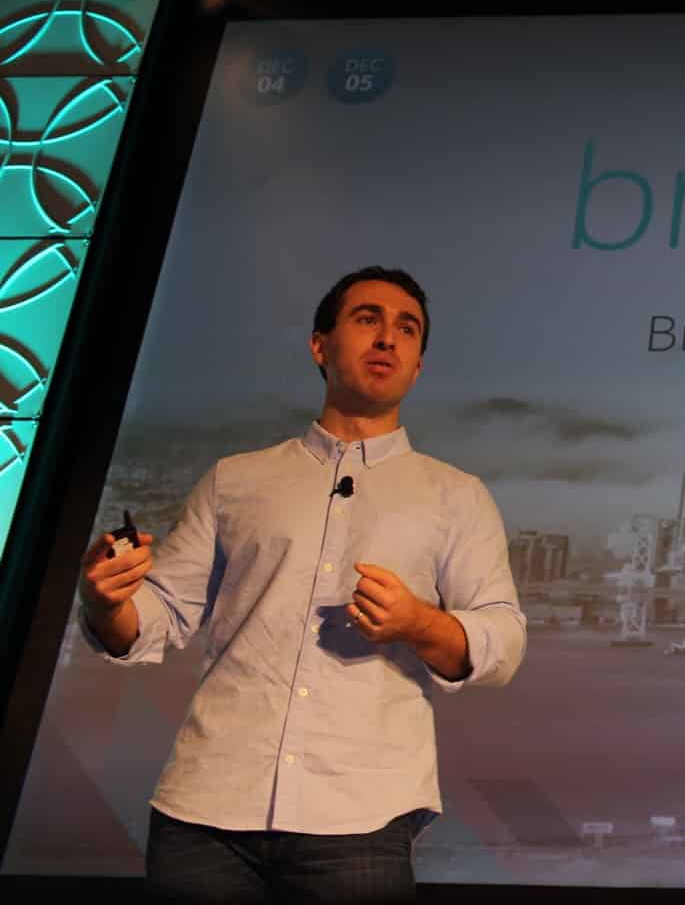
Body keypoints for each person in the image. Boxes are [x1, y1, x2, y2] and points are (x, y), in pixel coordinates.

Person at [76, 266, 527, 902]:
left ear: (419, 366)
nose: (388, 339)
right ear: (320, 346)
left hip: (362, 814)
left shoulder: (456, 497)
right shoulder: (236, 479)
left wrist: (418, 622)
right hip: (207, 809)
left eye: (407, 329)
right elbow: (160, 619)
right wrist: (104, 601)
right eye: (368, 319)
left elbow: (504, 642)